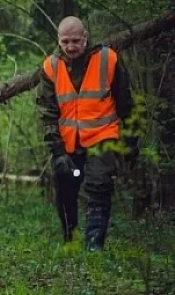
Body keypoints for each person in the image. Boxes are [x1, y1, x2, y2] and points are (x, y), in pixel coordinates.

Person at [36, 16, 136, 251]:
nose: (70, 47)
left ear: (85, 38)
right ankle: (71, 239)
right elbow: (47, 114)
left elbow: (126, 104)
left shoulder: (108, 59)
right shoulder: (50, 67)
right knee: (66, 189)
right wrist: (57, 151)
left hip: (103, 136)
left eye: (75, 41)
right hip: (68, 142)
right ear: (58, 41)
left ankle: (94, 246)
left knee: (99, 185)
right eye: (65, 42)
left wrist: (131, 140)